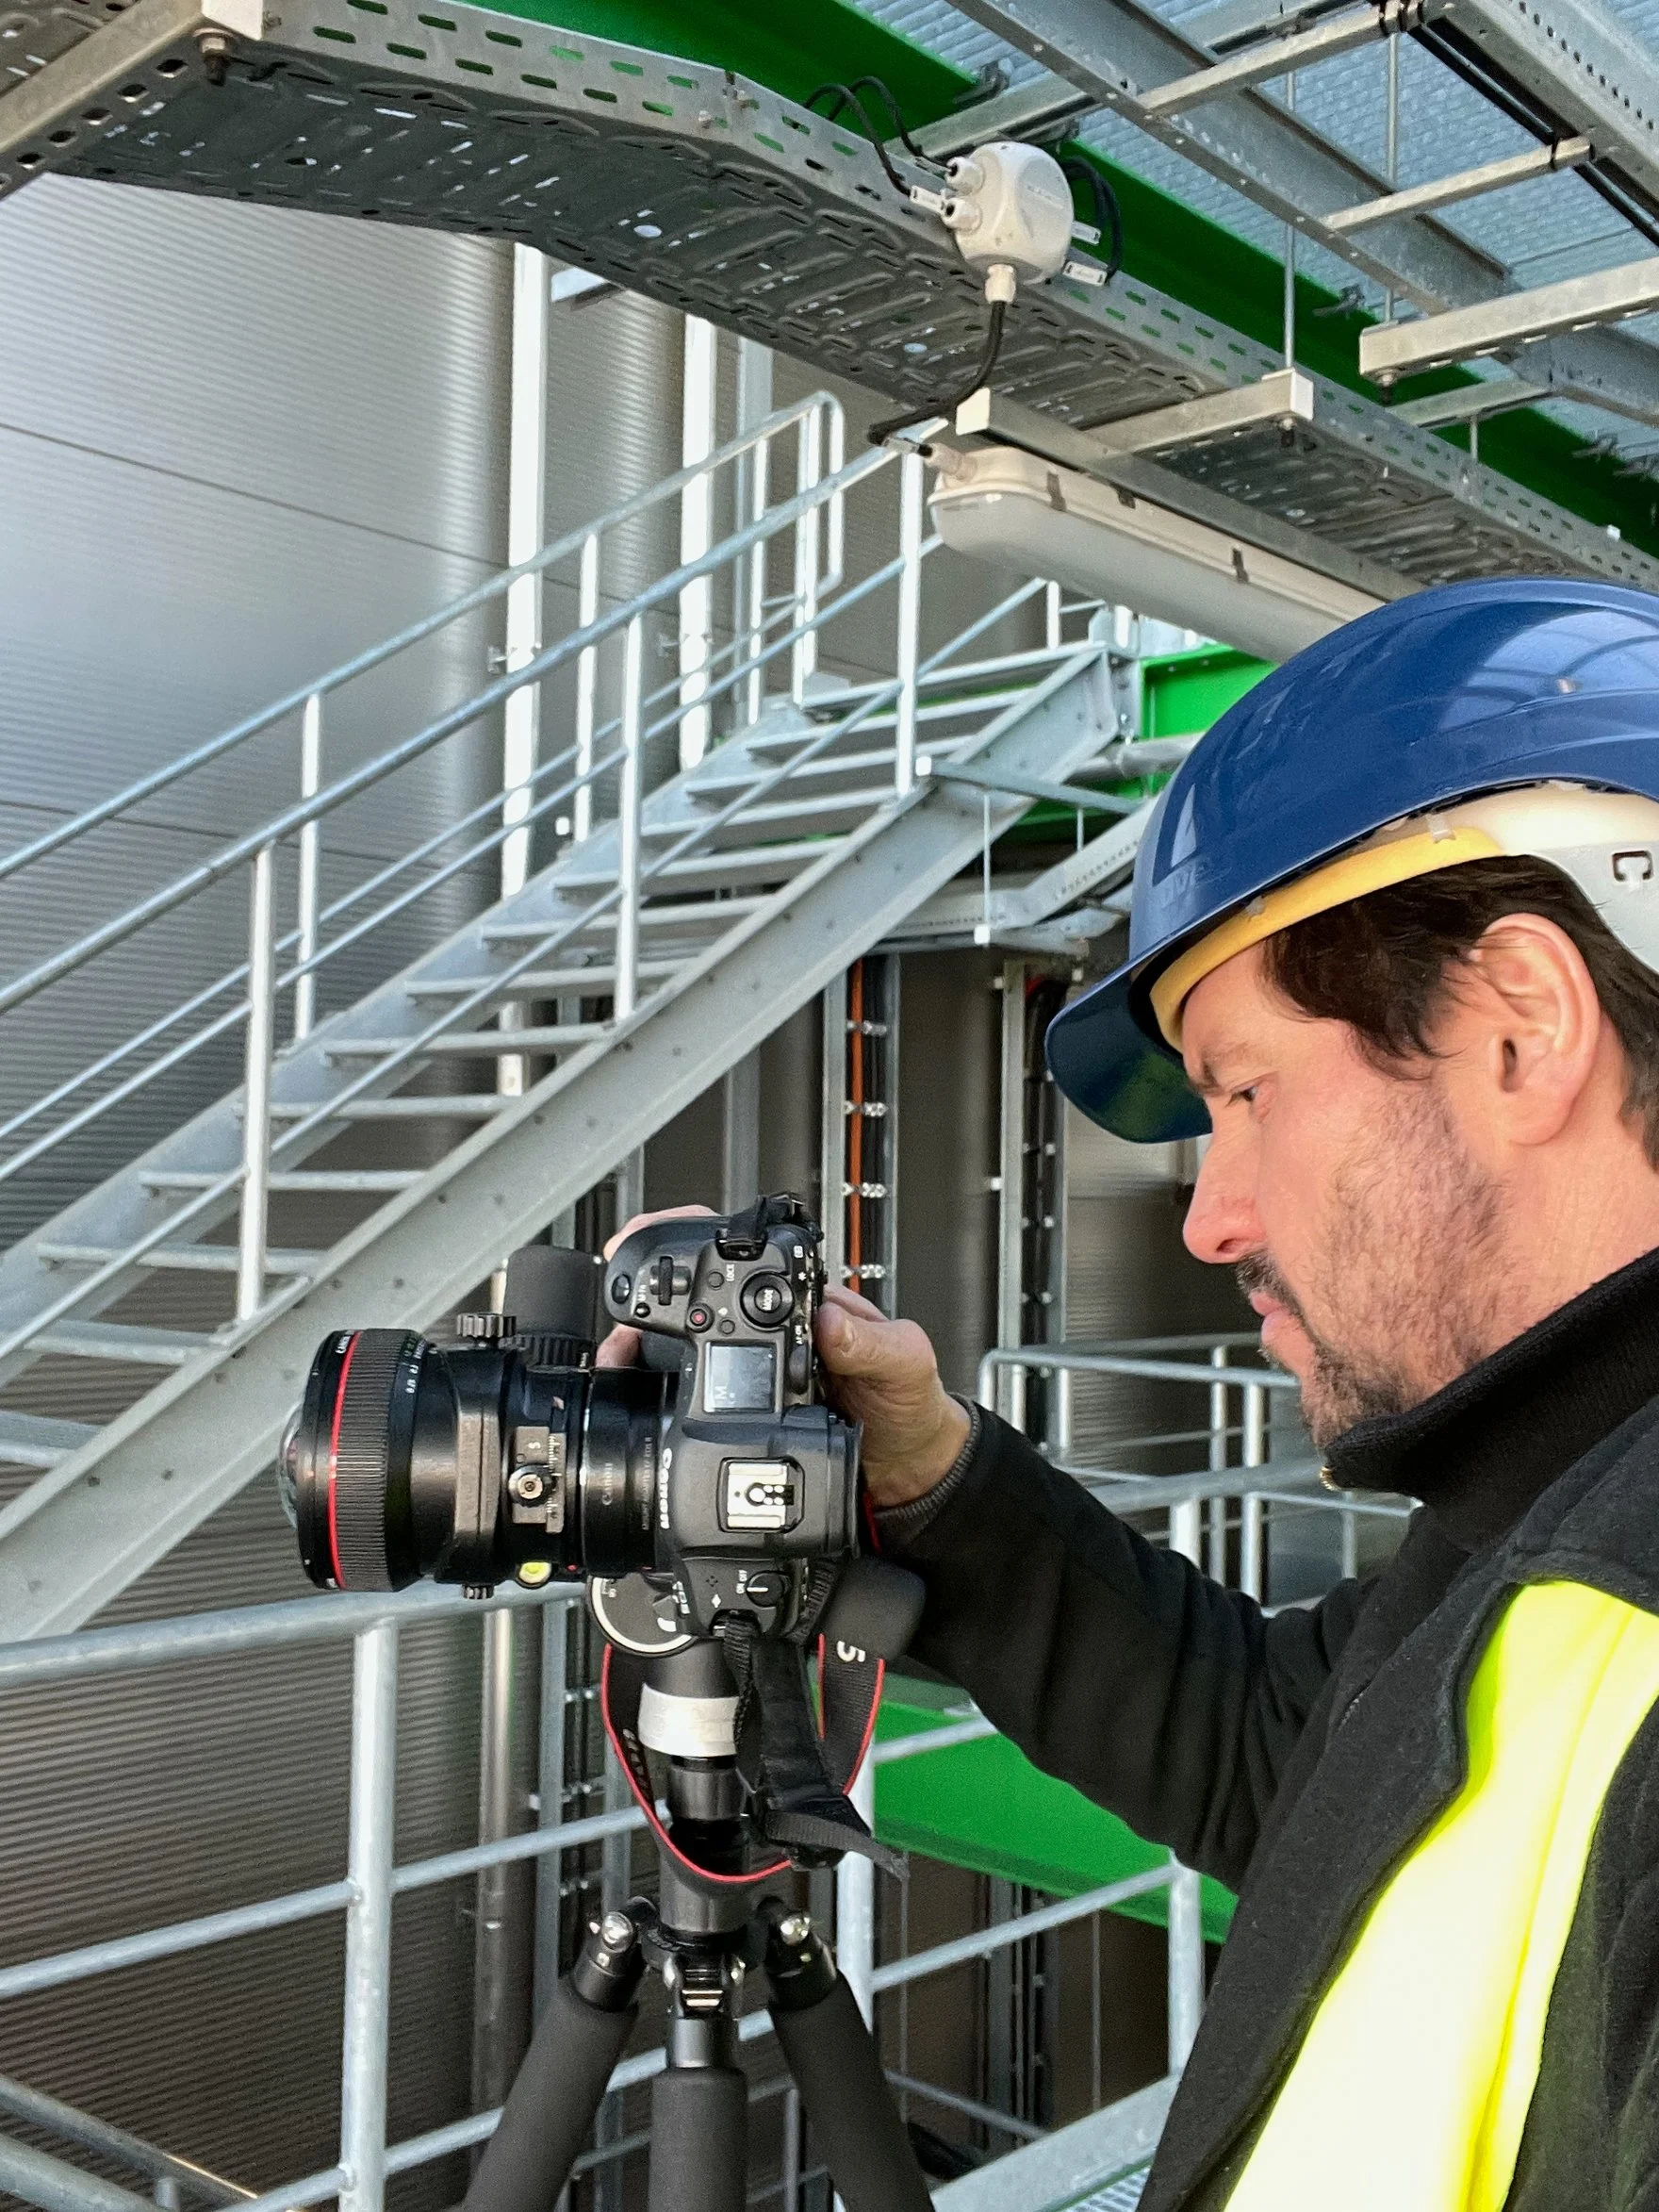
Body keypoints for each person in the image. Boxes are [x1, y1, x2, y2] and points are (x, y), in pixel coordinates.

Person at [606, 579, 1659, 2212]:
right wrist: (934, 1468)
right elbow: (1280, 1757)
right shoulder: (1547, 1511)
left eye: (1244, 1091)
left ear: (1521, 1028)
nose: (1210, 1214)